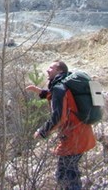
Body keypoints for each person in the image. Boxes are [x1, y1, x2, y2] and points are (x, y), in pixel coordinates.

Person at [26, 60, 96, 190]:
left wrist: (42, 131)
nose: (47, 70)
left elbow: (58, 117)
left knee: (64, 176)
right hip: (84, 135)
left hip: (73, 138)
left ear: (59, 71)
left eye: (51, 67)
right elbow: (62, 97)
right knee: (71, 172)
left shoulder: (59, 88)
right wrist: (41, 92)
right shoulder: (65, 85)